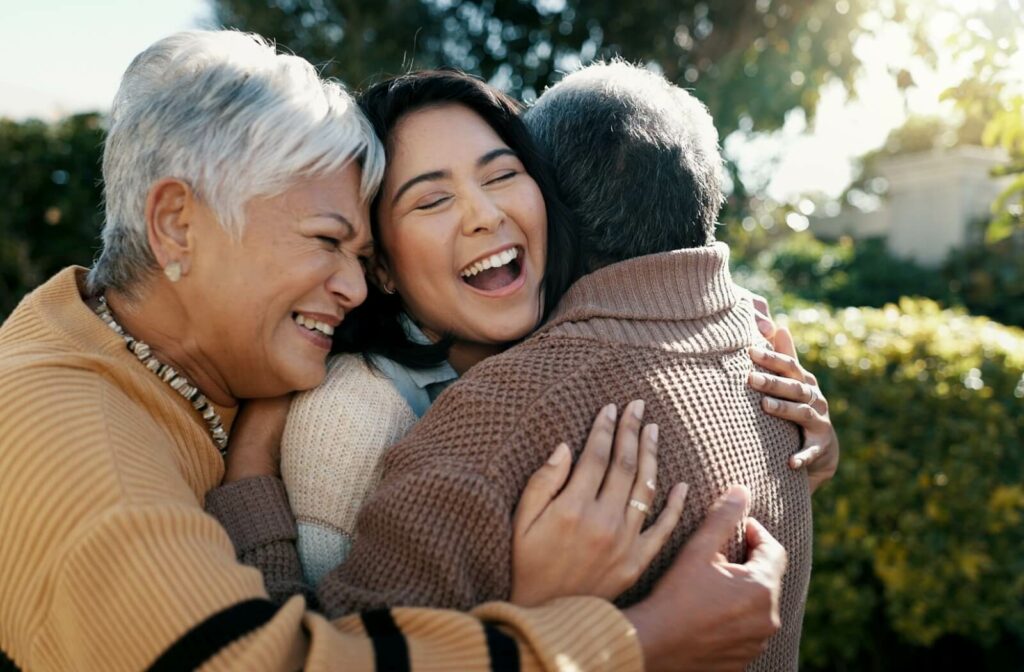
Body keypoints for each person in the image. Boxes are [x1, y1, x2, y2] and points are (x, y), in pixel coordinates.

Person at [0, 31, 787, 672]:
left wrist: (745, 363)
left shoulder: (195, 357)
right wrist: (627, 637)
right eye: (326, 242)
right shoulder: (78, 438)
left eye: (360, 252)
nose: (353, 287)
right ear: (177, 226)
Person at [267, 62, 834, 672]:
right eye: (432, 198)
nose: (483, 215)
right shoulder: (353, 418)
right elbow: (306, 653)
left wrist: (803, 451)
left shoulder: (628, 361)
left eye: (504, 174)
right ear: (380, 266)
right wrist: (535, 608)